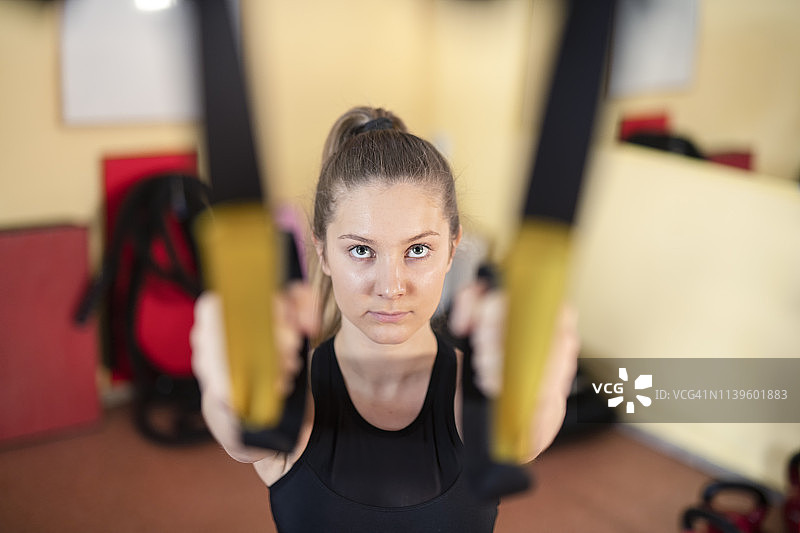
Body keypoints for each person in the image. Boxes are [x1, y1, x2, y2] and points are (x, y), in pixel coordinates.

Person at [190, 106, 579, 532]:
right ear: (322, 251)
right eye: (361, 250)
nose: (391, 287)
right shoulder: (292, 401)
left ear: (452, 248)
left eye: (417, 250)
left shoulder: (481, 403)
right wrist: (226, 378)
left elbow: (533, 420)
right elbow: (235, 426)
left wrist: (542, 369)